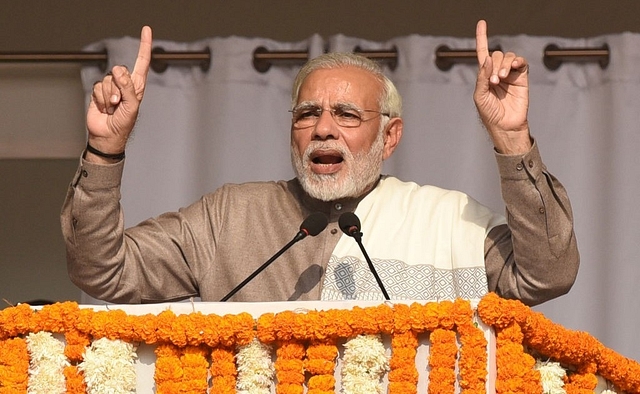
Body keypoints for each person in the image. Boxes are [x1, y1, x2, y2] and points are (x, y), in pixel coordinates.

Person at [61, 20, 579, 306]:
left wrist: (511, 139)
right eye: (308, 113)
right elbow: (101, 270)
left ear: (390, 136)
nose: (323, 128)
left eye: (347, 114)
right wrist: (106, 150)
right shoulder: (227, 218)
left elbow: (546, 275)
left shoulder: (447, 220)